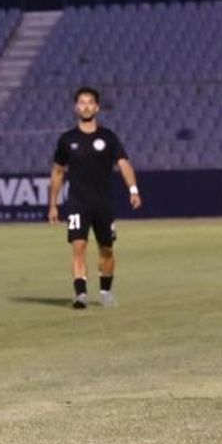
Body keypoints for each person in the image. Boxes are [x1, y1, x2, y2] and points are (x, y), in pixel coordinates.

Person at [46, 86, 141, 309]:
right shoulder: (67, 139)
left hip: (103, 204)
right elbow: (58, 172)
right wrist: (53, 204)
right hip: (77, 202)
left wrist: (133, 190)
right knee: (78, 247)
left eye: (90, 102)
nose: (86, 106)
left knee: (106, 249)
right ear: (76, 107)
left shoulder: (108, 137)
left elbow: (124, 164)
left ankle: (106, 291)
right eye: (82, 102)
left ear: (97, 107)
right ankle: (80, 294)